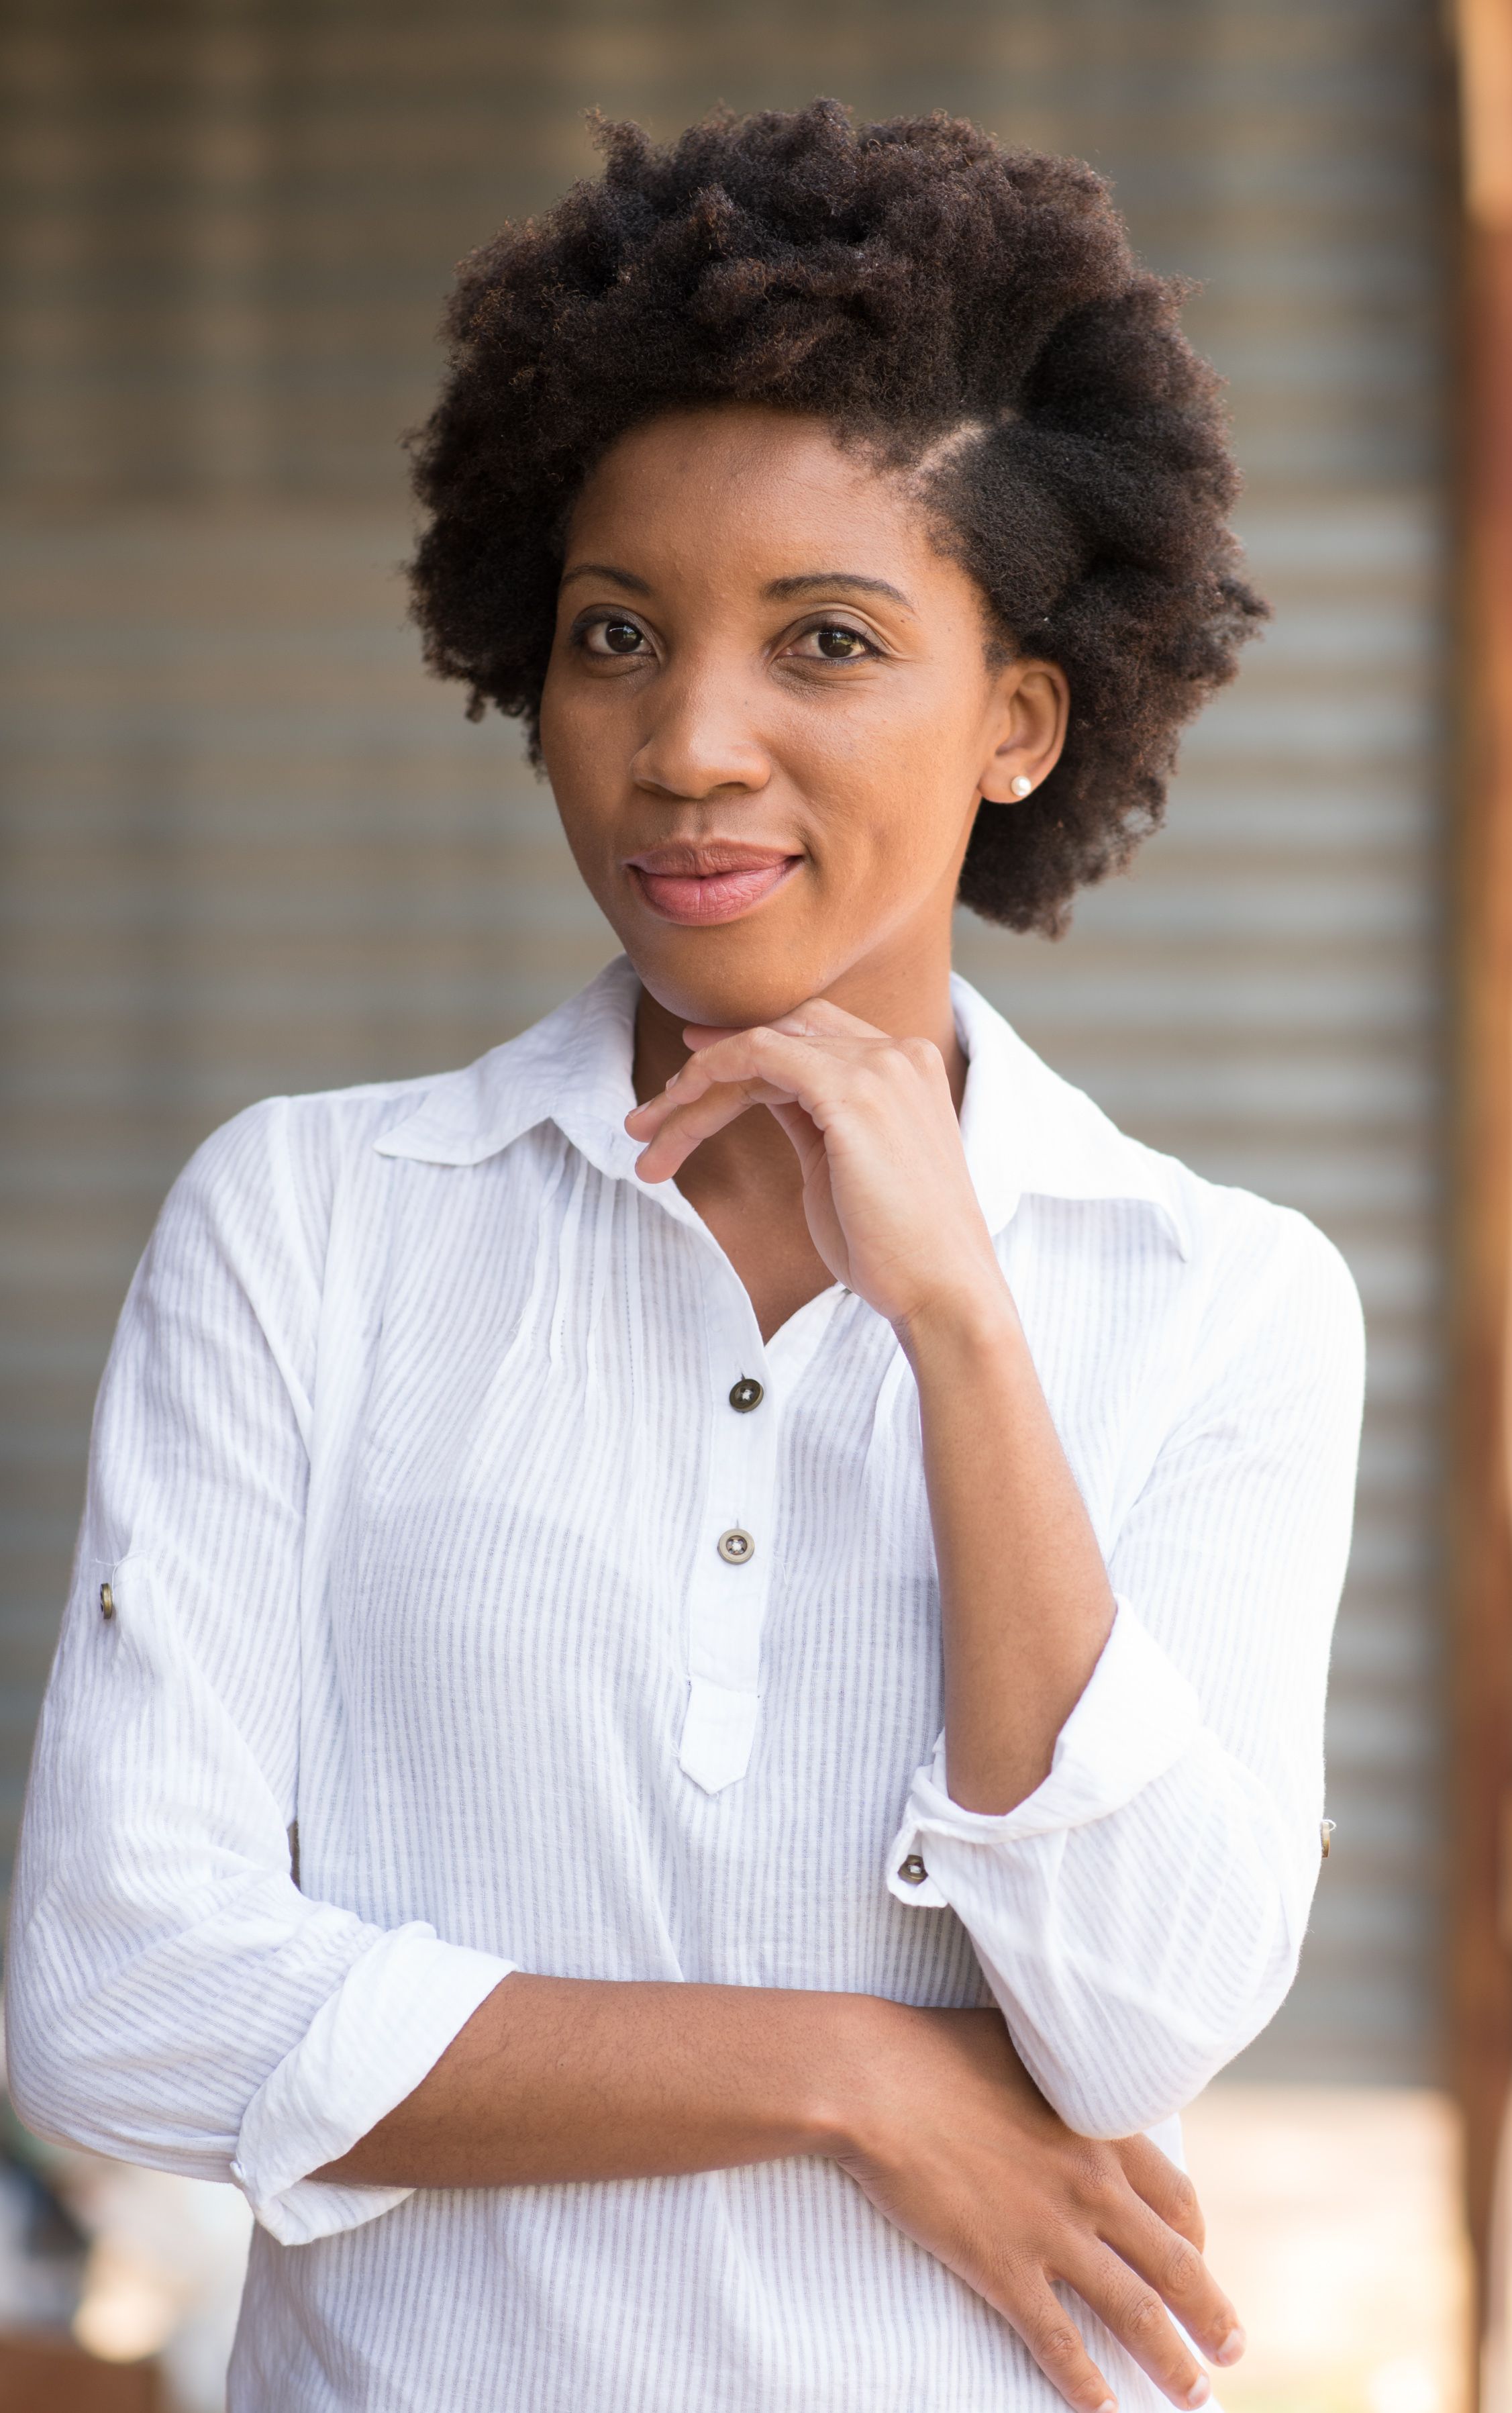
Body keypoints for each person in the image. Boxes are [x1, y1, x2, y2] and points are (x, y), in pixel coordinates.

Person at [6, 101, 1364, 2413]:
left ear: (1021, 721)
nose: (687, 743)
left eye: (824, 642)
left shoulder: (1220, 1296)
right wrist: (853, 2074)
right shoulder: (315, 1229)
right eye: (614, 634)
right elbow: (123, 1996)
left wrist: (955, 1319)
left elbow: (1137, 2009)